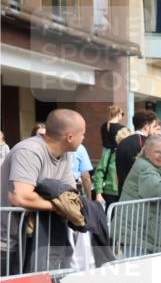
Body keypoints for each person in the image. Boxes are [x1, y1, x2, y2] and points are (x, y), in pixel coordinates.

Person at [1, 109, 84, 274]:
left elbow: (69, 194)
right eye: (82, 133)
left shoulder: (66, 154)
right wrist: (58, 207)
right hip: (6, 242)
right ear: (70, 137)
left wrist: (63, 203)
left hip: (36, 240)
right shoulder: (29, 151)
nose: (84, 138)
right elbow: (20, 197)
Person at [115, 110, 161, 190]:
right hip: (139, 196)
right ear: (146, 126)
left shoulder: (122, 143)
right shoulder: (147, 143)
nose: (155, 131)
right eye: (153, 126)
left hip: (123, 194)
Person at [93, 127, 131, 208]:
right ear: (118, 141)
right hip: (110, 194)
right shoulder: (109, 154)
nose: (123, 145)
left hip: (127, 194)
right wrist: (98, 193)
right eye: (121, 141)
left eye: (126, 142)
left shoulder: (133, 156)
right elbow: (99, 173)